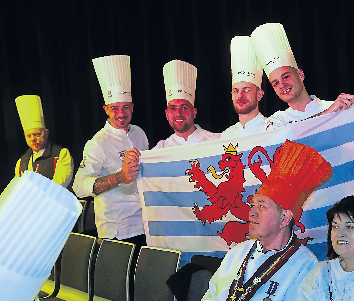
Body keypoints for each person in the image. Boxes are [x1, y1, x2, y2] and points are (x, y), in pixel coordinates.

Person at [249, 23, 354, 217]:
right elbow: (291, 146)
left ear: (300, 74)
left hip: (348, 217)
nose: (282, 85)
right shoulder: (276, 122)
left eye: (286, 76)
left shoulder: (339, 108)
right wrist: (328, 117)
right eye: (275, 83)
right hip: (304, 221)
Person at [202, 140, 333, 301]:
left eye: (262, 206)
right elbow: (209, 296)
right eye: (252, 204)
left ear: (284, 218)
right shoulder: (236, 253)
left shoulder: (305, 266)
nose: (252, 212)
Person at [74, 55, 148, 247]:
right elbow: (79, 186)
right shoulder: (98, 143)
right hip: (118, 231)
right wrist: (119, 177)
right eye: (115, 108)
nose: (121, 114)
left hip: (145, 223)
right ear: (106, 109)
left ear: (132, 107)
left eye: (125, 107)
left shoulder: (140, 133)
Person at [154, 60, 220, 149]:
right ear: (167, 114)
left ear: (194, 112)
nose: (178, 113)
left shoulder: (217, 141)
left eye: (184, 107)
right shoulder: (161, 149)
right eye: (173, 108)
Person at [14, 95, 73, 187]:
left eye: (37, 134)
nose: (33, 139)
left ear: (46, 133)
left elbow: (60, 183)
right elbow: (17, 187)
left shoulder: (61, 154)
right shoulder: (21, 162)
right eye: (29, 136)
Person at [220, 36, 266, 139]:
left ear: (259, 94)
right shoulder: (226, 136)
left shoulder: (271, 129)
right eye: (236, 91)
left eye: (247, 90)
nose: (240, 95)